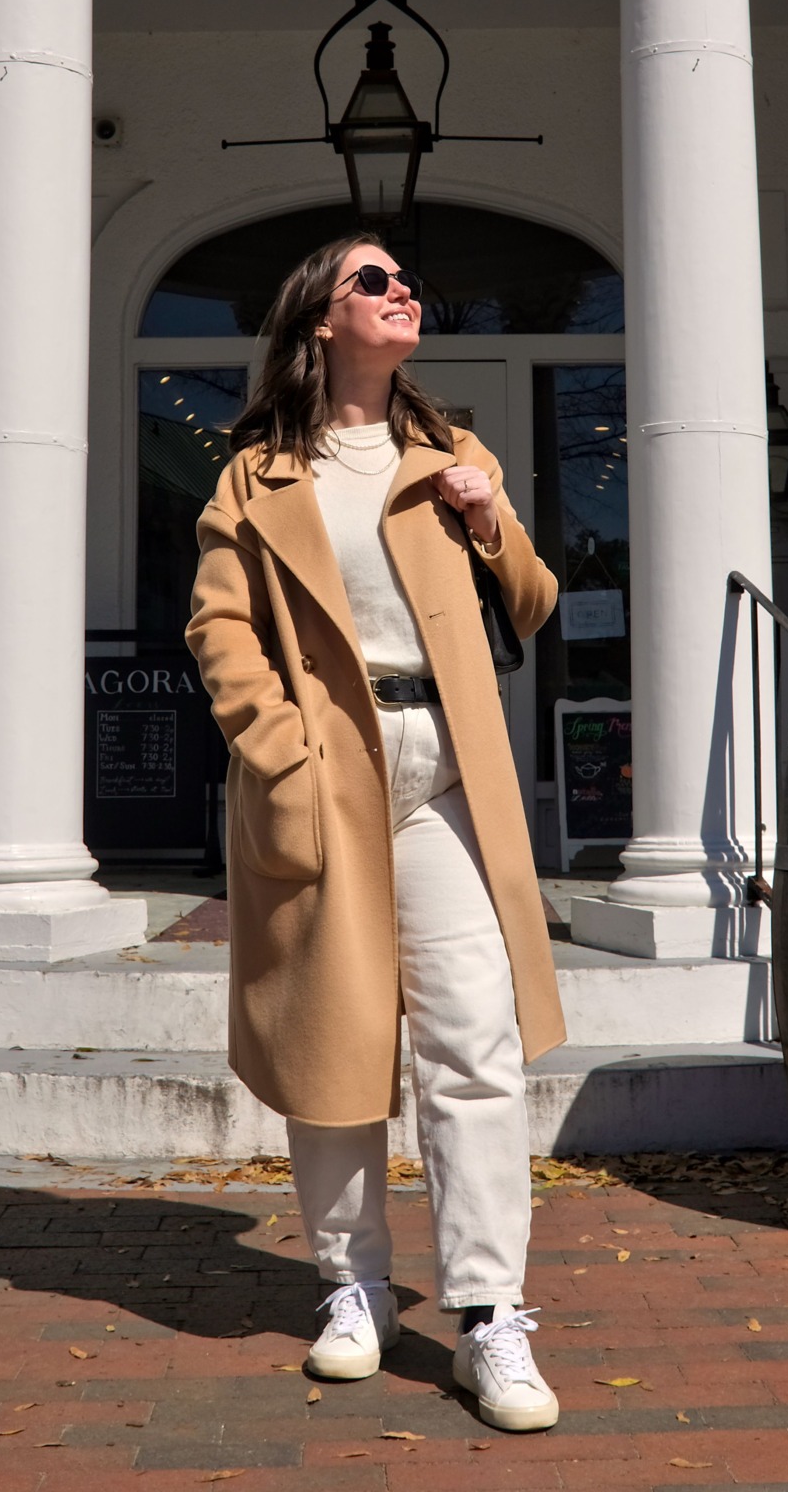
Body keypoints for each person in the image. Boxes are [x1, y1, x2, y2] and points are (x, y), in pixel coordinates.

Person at [186, 232, 566, 1432]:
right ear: (318, 322)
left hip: (445, 771)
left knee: (471, 1037)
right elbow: (219, 630)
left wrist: (491, 513)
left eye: (405, 281)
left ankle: (490, 1313)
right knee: (333, 1040)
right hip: (321, 773)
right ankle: (351, 1286)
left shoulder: (449, 454)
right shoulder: (254, 476)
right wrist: (285, 757)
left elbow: (536, 600)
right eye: (373, 279)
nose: (401, 291)